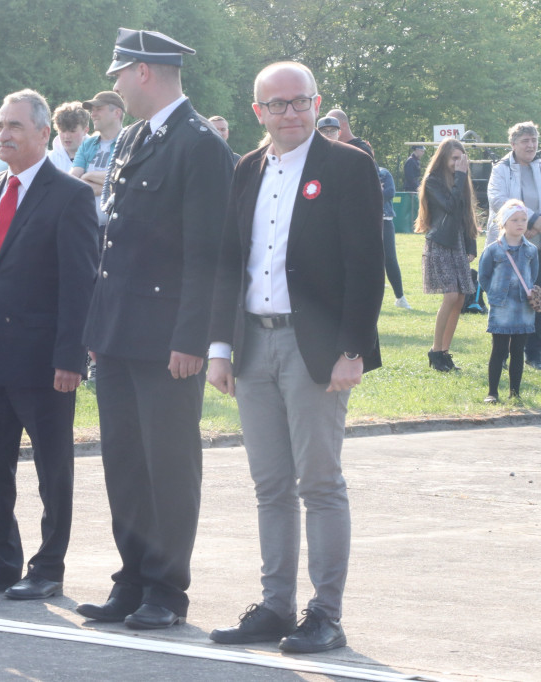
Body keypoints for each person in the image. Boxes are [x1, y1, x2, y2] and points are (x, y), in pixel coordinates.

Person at [206, 61, 384, 654]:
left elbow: (366, 267)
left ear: (317, 103)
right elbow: (229, 260)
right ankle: (276, 604)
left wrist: (352, 349)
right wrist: (220, 348)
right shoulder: (246, 169)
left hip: (318, 351)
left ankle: (324, 613)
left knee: (321, 483)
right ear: (258, 111)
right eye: (276, 104)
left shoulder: (348, 166)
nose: (289, 113)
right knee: (270, 485)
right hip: (253, 345)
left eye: (299, 102)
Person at [78, 28, 233, 630]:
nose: (113, 84)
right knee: (124, 461)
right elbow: (116, 243)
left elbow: (209, 255)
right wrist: (99, 325)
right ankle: (134, 576)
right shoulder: (138, 137)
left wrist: (192, 339)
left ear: (144, 71)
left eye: (119, 73)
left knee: (167, 462)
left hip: (168, 336)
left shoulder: (198, 145)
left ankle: (167, 589)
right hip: (120, 330)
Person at [0, 89, 97, 600]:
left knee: (52, 469)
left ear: (42, 133)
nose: (3, 134)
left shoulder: (70, 195)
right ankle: (0, 559)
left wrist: (70, 356)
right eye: (0, 124)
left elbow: (81, 284)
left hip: (43, 361)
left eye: (14, 126)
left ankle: (48, 567)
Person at [416, 138, 478, 372]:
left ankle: (444, 352)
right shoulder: (433, 181)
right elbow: (450, 207)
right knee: (451, 295)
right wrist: (461, 177)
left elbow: (465, 214)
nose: (458, 163)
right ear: (443, 158)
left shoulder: (461, 181)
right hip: (440, 244)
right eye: (454, 158)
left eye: (461, 159)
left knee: (460, 298)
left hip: (459, 244)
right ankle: (434, 350)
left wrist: (471, 246)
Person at [485, 122, 541, 368]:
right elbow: (498, 199)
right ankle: (503, 355)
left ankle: (534, 353)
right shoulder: (501, 169)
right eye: (525, 140)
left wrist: (536, 226)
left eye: (534, 139)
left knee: (536, 296)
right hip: (509, 244)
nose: (531, 145)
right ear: (513, 144)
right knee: (508, 298)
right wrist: (531, 220)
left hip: (536, 243)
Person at [479, 200, 538, 403]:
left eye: (523, 219)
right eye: (514, 220)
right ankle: (492, 392)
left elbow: (534, 276)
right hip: (501, 308)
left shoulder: (531, 250)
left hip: (523, 308)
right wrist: (495, 295)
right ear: (504, 223)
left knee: (518, 351)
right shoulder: (493, 250)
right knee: (499, 349)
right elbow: (483, 276)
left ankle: (515, 392)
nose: (520, 223)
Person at [72, 91, 125, 226]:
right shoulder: (87, 144)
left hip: (116, 230)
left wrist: (87, 175)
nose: (92, 114)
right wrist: (112, 186)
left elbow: (127, 182)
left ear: (117, 113)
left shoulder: (129, 143)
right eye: (92, 110)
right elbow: (72, 183)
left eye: (99, 109)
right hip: (85, 227)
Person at [379, 163, 410, 308]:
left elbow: (389, 193)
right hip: (362, 220)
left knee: (390, 258)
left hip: (384, 220)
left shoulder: (383, 173)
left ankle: (400, 297)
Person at [47, 101, 89, 173]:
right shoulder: (50, 160)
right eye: (62, 131)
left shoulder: (98, 155)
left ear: (85, 130)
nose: (67, 136)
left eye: (72, 131)